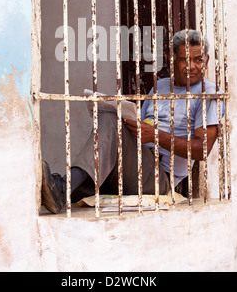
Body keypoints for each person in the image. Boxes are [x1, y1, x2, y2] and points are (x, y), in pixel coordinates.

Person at [41, 29, 224, 214]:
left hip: (160, 177)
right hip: (138, 161)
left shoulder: (208, 94)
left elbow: (203, 150)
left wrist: (155, 135)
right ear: (171, 58)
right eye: (185, 59)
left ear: (206, 61)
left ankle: (64, 187)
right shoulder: (160, 86)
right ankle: (62, 189)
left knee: (111, 124)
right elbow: (141, 122)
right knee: (110, 121)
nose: (192, 66)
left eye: (198, 60)